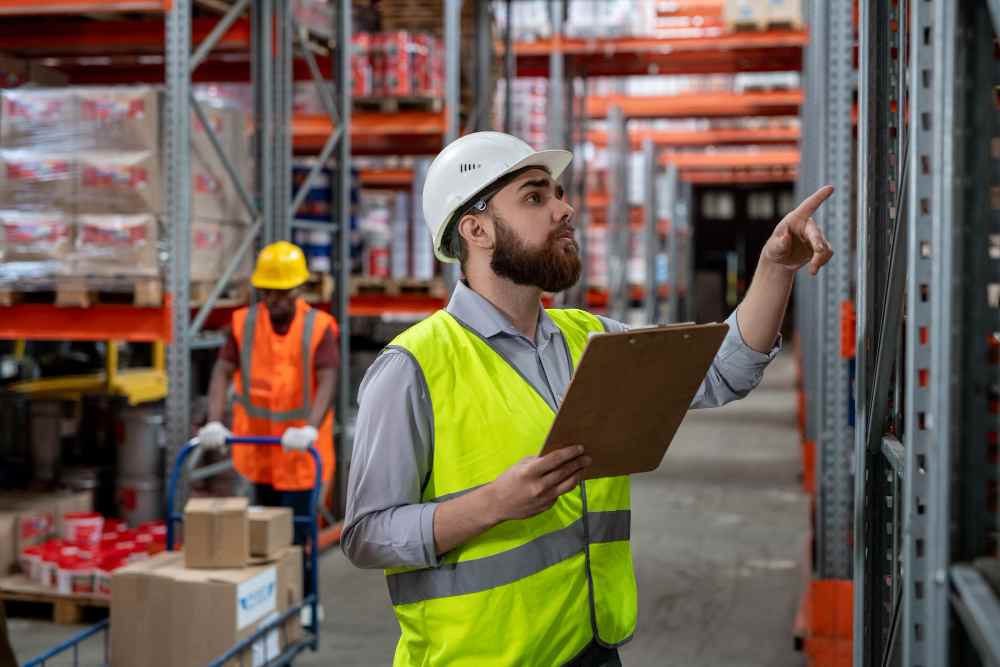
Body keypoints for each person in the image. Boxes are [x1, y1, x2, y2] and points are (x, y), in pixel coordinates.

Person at [342, 132, 834, 667]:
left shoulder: (590, 340)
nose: (565, 209)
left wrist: (775, 268)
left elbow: (725, 370)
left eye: (558, 193)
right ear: (476, 229)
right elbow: (367, 535)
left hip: (592, 650)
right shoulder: (412, 367)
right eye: (536, 197)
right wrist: (493, 505)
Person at [198, 241, 339, 556]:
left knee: (298, 538)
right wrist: (214, 421)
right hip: (260, 450)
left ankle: (301, 598)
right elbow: (222, 370)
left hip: (302, 452)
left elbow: (328, 378)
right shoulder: (244, 323)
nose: (273, 300)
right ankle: (279, 598)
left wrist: (310, 429)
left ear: (298, 289)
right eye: (267, 292)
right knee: (266, 538)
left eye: (281, 292)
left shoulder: (318, 327)